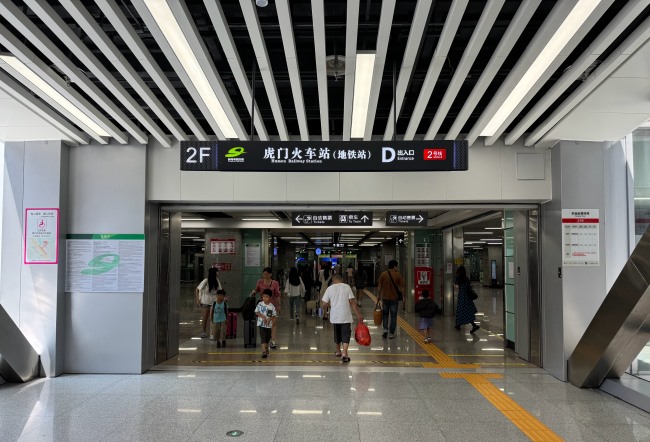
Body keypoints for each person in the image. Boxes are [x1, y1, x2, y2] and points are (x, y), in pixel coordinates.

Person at [321, 274, 363, 363]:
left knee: (337, 333)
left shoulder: (330, 288)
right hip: (345, 315)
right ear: (341, 279)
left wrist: (331, 306)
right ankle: (344, 353)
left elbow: (324, 303)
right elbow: (352, 302)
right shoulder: (347, 287)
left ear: (333, 281)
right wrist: (358, 314)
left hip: (335, 316)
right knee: (346, 334)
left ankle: (338, 351)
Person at [376, 260, 405, 339]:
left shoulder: (383, 274)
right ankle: (391, 333)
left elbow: (379, 285)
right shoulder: (398, 274)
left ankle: (385, 329)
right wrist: (403, 297)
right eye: (396, 266)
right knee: (393, 316)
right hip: (394, 299)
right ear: (395, 266)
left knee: (385, 315)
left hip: (385, 298)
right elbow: (402, 287)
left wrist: (378, 295)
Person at [253, 267, 281, 348]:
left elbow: (277, 295)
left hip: (271, 306)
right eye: (264, 274)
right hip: (262, 307)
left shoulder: (275, 283)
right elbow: (257, 289)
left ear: (271, 274)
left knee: (273, 323)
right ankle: (265, 341)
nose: (265, 276)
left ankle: (273, 341)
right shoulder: (260, 281)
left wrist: (279, 305)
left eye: (267, 274)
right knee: (264, 324)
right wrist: (254, 291)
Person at [195, 267, 222, 338]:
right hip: (205, 301)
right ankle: (203, 331)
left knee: (213, 317)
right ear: (214, 273)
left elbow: (220, 290)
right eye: (217, 271)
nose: (218, 273)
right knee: (205, 317)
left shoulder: (217, 281)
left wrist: (222, 298)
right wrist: (197, 299)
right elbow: (197, 289)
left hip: (214, 302)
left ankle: (212, 332)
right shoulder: (205, 281)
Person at [454, 265, 480, 333]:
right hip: (467, 297)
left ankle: (471, 325)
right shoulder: (466, 278)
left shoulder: (458, 278)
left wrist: (454, 285)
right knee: (467, 311)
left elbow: (456, 287)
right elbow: (469, 287)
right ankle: (458, 325)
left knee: (460, 311)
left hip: (462, 296)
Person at [254, 289, 277, 359]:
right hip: (261, 324)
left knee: (268, 337)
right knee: (263, 337)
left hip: (268, 325)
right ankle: (264, 351)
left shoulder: (271, 306)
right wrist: (263, 317)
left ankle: (266, 347)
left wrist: (269, 319)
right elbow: (256, 312)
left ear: (270, 298)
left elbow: (274, 315)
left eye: (266, 297)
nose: (264, 298)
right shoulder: (260, 304)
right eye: (264, 297)